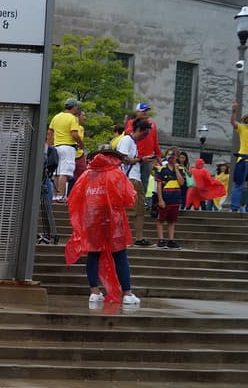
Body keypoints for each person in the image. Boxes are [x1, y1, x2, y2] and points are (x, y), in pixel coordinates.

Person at [65, 146, 140, 307]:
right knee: (120, 256)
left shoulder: (87, 174)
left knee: (93, 255)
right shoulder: (117, 173)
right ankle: (126, 293)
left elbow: (75, 197)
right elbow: (130, 198)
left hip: (92, 219)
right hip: (114, 219)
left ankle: (94, 292)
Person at [113, 118, 152, 246]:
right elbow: (123, 158)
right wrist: (141, 160)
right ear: (139, 130)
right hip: (130, 179)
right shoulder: (126, 140)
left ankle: (138, 238)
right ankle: (124, 237)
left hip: (135, 178)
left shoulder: (133, 143)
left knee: (139, 210)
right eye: (145, 133)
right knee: (131, 210)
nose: (145, 137)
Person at [48, 98, 82, 201]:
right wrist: (81, 143)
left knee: (56, 172)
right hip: (68, 147)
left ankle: (55, 196)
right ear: (74, 107)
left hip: (57, 147)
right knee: (65, 172)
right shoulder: (72, 118)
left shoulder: (56, 117)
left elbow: (50, 132)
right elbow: (74, 134)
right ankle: (62, 195)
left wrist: (50, 146)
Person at [154, 152, 187, 249]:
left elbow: (181, 182)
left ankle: (171, 240)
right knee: (161, 219)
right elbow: (159, 185)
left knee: (172, 221)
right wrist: (160, 199)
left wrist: (176, 170)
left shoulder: (180, 170)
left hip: (175, 198)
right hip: (165, 197)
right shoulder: (162, 169)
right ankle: (161, 239)